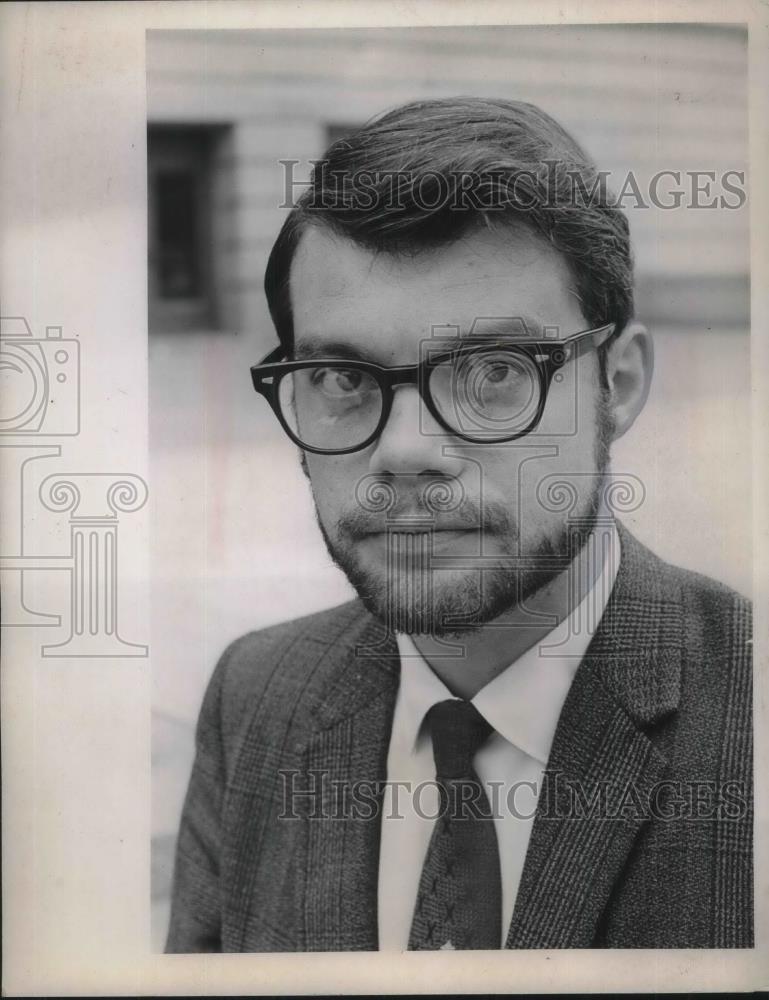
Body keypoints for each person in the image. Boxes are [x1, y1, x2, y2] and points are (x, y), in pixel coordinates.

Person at [165, 97, 752, 952]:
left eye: (492, 373)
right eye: (340, 377)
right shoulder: (257, 694)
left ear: (616, 386)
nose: (404, 452)